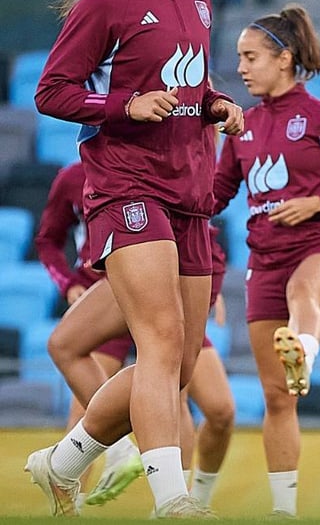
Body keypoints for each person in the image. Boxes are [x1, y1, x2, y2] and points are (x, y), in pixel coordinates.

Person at [27, 0, 243, 518]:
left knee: (178, 363)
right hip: (127, 186)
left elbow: (190, 84)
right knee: (158, 340)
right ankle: (172, 499)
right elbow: (52, 91)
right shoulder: (105, 2)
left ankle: (60, 464)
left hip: (189, 195)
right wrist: (126, 103)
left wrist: (217, 105)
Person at [212, 4, 320, 518]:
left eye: (250, 57)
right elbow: (215, 196)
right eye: (239, 58)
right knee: (278, 399)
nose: (240, 68)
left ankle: (303, 350)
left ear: (283, 59)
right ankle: (284, 511)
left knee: (301, 291)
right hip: (264, 261)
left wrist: (318, 203)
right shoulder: (242, 127)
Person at [36, 161, 236, 511]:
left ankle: (178, 496)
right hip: (110, 285)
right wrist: (68, 284)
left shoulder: (177, 168)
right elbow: (48, 240)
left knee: (202, 400)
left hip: (167, 281)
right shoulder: (77, 177)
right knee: (89, 385)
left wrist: (207, 286)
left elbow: (201, 226)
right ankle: (89, 490)